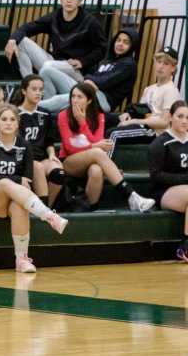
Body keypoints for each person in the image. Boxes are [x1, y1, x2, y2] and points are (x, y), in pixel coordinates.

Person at [0, 103, 69, 273]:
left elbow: (27, 180)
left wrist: (8, 180)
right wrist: (14, 180)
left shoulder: (24, 145)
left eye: (12, 119)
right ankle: (49, 216)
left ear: (18, 123)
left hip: (12, 200)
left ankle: (21, 260)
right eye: (4, 119)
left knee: (20, 206)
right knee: (6, 184)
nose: (8, 123)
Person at [57, 83, 154, 212]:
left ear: (90, 100)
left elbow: (98, 143)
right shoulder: (63, 115)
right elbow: (70, 148)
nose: (74, 100)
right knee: (96, 152)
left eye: (80, 97)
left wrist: (82, 123)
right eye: (73, 96)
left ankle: (87, 212)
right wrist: (93, 145)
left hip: (92, 160)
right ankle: (130, 194)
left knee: (97, 170)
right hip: (69, 162)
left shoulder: (99, 116)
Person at [4, 0, 106, 80]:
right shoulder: (54, 17)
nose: (69, 1)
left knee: (48, 65)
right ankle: (29, 82)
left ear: (79, 1)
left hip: (75, 70)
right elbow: (28, 27)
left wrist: (82, 61)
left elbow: (102, 47)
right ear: (61, 0)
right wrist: (12, 40)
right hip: (54, 62)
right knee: (21, 41)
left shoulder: (90, 21)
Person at [38, 28, 139, 113]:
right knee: (46, 71)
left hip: (103, 100)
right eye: (118, 40)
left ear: (132, 46)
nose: (120, 44)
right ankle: (46, 114)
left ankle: (28, 107)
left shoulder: (129, 65)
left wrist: (91, 80)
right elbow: (96, 79)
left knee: (63, 99)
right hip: (89, 90)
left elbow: (104, 83)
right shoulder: (110, 60)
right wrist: (90, 80)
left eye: (126, 43)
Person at [107, 46, 182, 156]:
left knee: (113, 133)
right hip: (143, 124)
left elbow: (164, 122)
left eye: (166, 64)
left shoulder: (171, 90)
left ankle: (104, 168)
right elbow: (140, 110)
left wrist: (134, 121)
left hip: (153, 131)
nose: (160, 66)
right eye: (159, 61)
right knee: (105, 119)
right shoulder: (149, 88)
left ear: (173, 68)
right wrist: (129, 114)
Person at [11, 75, 64, 206]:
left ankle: (47, 209)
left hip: (42, 157)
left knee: (59, 173)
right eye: (34, 89)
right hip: (23, 158)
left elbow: (49, 141)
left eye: (41, 90)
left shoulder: (45, 113)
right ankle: (42, 211)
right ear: (24, 91)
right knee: (39, 168)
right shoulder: (14, 114)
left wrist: (52, 154)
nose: (38, 93)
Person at [148, 101, 188, 261]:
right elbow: (156, 176)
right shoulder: (160, 143)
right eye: (180, 116)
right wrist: (185, 179)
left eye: (187, 117)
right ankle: (185, 247)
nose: (184, 121)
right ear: (171, 117)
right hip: (163, 191)